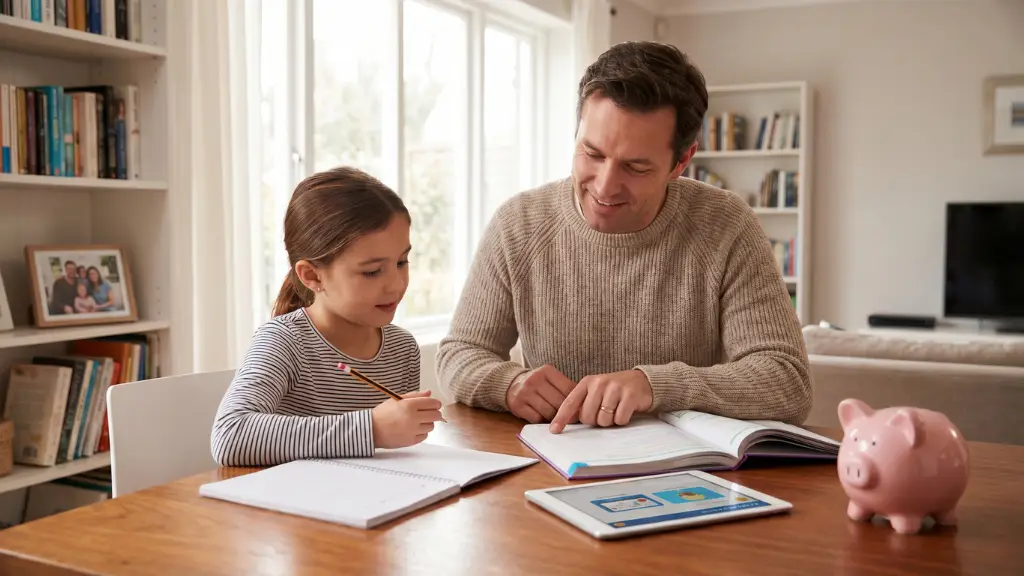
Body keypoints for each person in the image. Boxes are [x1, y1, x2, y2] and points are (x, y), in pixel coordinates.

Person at [436, 41, 812, 434]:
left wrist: (654, 385)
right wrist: (508, 385)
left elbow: (787, 382)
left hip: (686, 465)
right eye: (592, 153)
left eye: (635, 167)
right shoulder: (518, 224)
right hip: (552, 456)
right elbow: (459, 355)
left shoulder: (726, 225)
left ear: (682, 161)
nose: (605, 186)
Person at [210, 167, 443, 467]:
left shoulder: (402, 349)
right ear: (312, 276)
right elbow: (230, 436)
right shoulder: (284, 342)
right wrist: (372, 429)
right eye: (372, 271)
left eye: (402, 262)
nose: (397, 285)